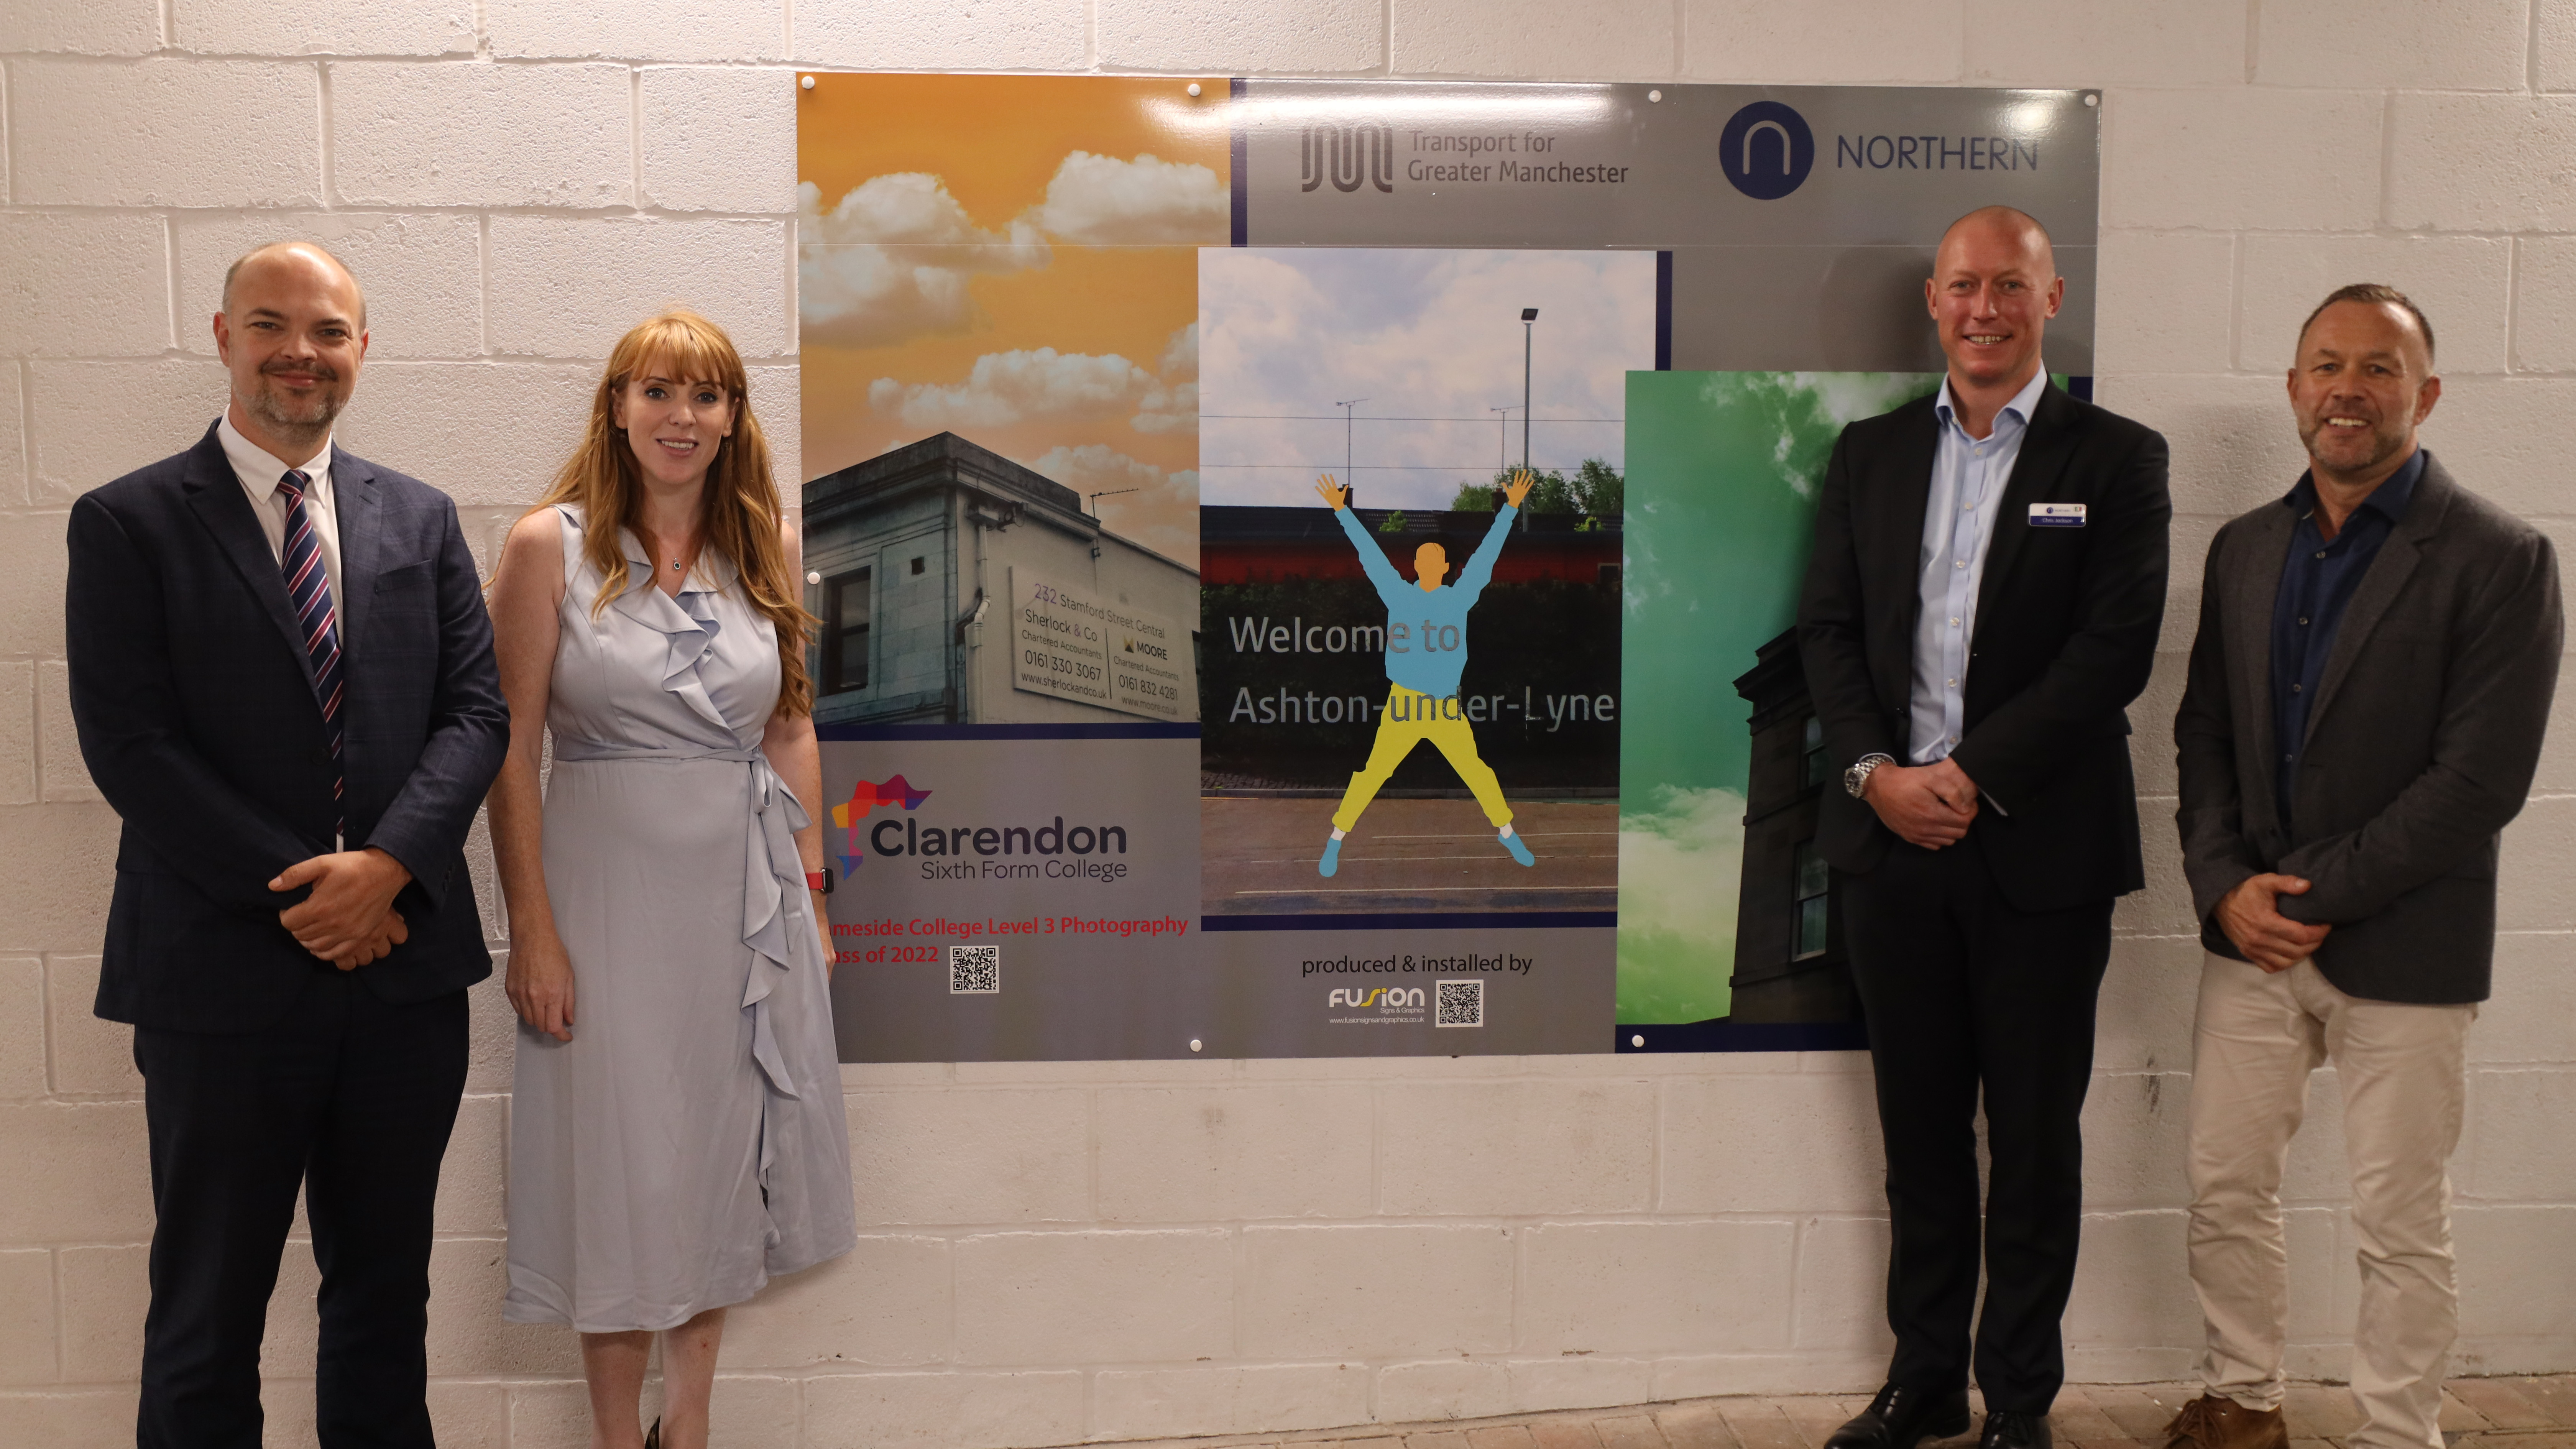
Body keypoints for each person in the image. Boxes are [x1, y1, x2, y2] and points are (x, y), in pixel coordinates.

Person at [64, 242, 508, 1446]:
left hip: (403, 979)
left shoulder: (418, 519)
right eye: (271, 324)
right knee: (206, 1312)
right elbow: (132, 746)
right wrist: (311, 895)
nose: (299, 352)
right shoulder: (127, 522)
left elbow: (477, 714)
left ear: (362, 350)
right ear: (222, 336)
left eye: (327, 331)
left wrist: (385, 873)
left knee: (384, 1303)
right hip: (219, 981)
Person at [1796, 207, 2172, 1449]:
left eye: (2010, 285)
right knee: (1918, 1135)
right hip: (1890, 854)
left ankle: (2018, 1402)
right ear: (1935, 303)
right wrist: (1873, 774)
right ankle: (1923, 1381)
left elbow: (2111, 651)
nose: (1985, 309)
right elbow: (1830, 636)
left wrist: (1965, 773)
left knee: (2033, 1139)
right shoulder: (1870, 458)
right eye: (1964, 287)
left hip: (2038, 857)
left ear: (2050, 296)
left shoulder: (2116, 460)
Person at [2165, 286, 2560, 1449]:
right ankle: (2243, 1404)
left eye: (2377, 369)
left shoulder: (2499, 559)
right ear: (2292, 391)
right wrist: (2220, 884)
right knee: (2222, 1189)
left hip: (2403, 944)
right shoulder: (2242, 551)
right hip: (2245, 936)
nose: (2347, 390)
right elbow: (2199, 739)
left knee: (2397, 1222)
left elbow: (2476, 784)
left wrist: (2307, 897)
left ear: (2423, 395)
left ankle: (2396, 1432)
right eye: (2324, 366)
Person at [484, 309, 855, 1449]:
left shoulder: (770, 546)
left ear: (733, 416)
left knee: (712, 1159)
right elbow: (509, 747)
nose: (678, 417)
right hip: (599, 902)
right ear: (617, 407)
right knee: (616, 1163)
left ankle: (685, 1426)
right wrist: (532, 933)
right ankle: (612, 1434)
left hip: (741, 909)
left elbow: (789, 730)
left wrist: (815, 896)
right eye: (656, 392)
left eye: (703, 396)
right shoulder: (548, 544)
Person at [1311, 467, 1538, 876]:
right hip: (1404, 702)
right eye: (1419, 558)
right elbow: (1372, 556)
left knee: (1476, 770)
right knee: (1374, 771)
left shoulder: (1459, 598)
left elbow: (1485, 558)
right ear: (1414, 566)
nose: (1423, 562)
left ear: (1446, 566)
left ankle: (1507, 832)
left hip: (1445, 704)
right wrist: (1342, 512)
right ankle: (1335, 841)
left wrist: (1510, 510)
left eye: (1431, 558)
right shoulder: (1398, 594)